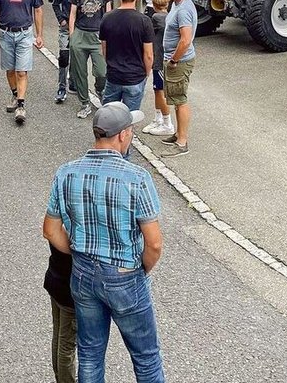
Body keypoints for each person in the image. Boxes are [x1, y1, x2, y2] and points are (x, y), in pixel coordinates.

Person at [43, 102, 164, 383]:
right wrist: (139, 271)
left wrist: (78, 252)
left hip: (83, 274)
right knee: (146, 358)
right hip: (125, 275)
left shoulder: (67, 172)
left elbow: (50, 229)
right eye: (131, 130)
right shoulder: (137, 178)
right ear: (123, 135)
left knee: (90, 354)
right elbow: (154, 244)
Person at [99, 0, 154, 114]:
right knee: (130, 117)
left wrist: (110, 64)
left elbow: (104, 48)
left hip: (114, 75)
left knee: (110, 116)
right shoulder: (144, 21)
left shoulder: (107, 18)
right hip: (135, 76)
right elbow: (148, 54)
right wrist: (147, 72)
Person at [158, 0, 196, 157]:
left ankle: (182, 142)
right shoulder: (178, 4)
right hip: (175, 60)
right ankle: (178, 133)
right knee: (175, 98)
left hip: (179, 62)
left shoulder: (183, 10)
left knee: (180, 100)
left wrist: (173, 60)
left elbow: (186, 40)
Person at [69, 0, 110, 119]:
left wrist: (107, 35)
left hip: (98, 36)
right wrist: (72, 35)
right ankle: (84, 102)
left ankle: (100, 89)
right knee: (80, 72)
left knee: (101, 71)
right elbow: (72, 13)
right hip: (80, 34)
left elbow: (108, 14)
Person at [142, 0, 175, 137]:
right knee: (157, 90)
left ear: (154, 5)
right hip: (161, 58)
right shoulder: (170, 16)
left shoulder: (156, 18)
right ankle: (158, 118)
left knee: (160, 90)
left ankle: (167, 123)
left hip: (159, 59)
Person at [43, 239, 75, 383]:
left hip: (55, 278)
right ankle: (66, 380)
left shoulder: (59, 217)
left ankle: (60, 377)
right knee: (67, 345)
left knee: (59, 336)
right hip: (70, 290)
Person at [52, 0, 82, 105]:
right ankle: (61, 87)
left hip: (80, 28)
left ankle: (74, 82)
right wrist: (61, 19)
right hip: (65, 28)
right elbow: (55, 4)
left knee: (77, 57)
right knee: (64, 57)